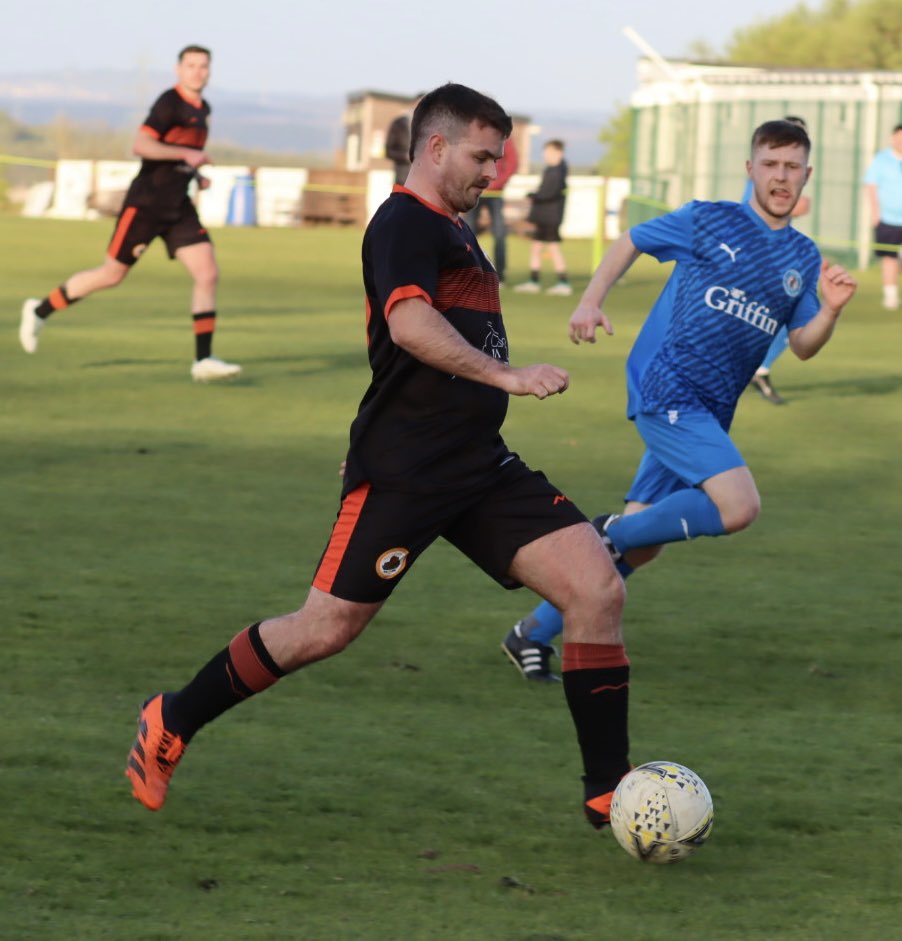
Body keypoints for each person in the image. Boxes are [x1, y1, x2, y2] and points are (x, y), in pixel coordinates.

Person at [125, 83, 631, 832]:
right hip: (406, 473)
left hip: (478, 465)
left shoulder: (457, 228)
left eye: (498, 157)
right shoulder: (402, 222)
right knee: (323, 628)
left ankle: (610, 795)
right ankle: (171, 716)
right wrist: (505, 375)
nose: (493, 171)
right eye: (482, 156)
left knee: (596, 588)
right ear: (435, 146)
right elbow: (408, 324)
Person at [501, 119, 857, 682]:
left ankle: (532, 632)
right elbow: (632, 241)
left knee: (645, 545)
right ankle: (606, 530)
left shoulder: (802, 258)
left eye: (792, 167)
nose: (780, 176)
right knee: (738, 507)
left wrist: (831, 310)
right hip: (668, 386)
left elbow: (804, 347)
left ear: (806, 175)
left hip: (711, 410)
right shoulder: (710, 218)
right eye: (770, 164)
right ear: (751, 169)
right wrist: (589, 301)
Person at [18, 45, 241, 383]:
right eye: (192, 65)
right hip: (147, 204)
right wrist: (186, 154)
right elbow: (141, 145)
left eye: (204, 66)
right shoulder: (169, 103)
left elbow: (181, 158)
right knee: (112, 275)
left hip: (178, 205)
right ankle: (39, 310)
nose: (198, 71)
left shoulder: (203, 108)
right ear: (178, 69)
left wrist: (196, 173)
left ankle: (203, 360)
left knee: (207, 273)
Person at [746, 115, 812, 405]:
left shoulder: (785, 173)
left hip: (776, 252)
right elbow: (760, 213)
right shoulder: (768, 177)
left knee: (786, 317)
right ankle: (755, 369)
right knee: (782, 317)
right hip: (758, 254)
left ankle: (757, 368)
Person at [514, 139, 571, 296]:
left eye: (549, 152)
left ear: (558, 152)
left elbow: (548, 193)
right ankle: (534, 280)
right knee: (536, 248)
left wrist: (534, 195)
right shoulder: (553, 170)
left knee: (553, 248)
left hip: (550, 217)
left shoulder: (558, 172)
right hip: (544, 216)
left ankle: (563, 282)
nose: (546, 156)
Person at [464, 135, 518, 286]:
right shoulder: (472, 134)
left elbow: (513, 163)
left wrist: (496, 183)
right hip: (475, 190)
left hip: (496, 193)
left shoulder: (504, 138)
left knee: (500, 233)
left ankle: (499, 276)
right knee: (467, 233)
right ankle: (467, 272)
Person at [863, 124, 902, 311]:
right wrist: (875, 213)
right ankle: (891, 296)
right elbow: (871, 185)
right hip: (888, 219)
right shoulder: (881, 159)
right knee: (889, 258)